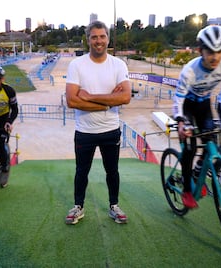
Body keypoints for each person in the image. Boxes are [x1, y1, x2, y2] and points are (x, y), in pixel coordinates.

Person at [64, 20, 132, 225]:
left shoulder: (118, 65)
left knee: (112, 171)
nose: (98, 40)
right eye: (94, 37)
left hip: (110, 129)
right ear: (88, 40)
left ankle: (114, 205)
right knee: (81, 171)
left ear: (108, 39)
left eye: (102, 36)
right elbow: (71, 100)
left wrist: (89, 97)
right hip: (84, 130)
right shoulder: (76, 65)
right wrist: (107, 102)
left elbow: (125, 97)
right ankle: (78, 206)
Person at [172, 25, 221, 209]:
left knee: (210, 139)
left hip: (204, 105)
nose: (215, 57)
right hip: (187, 106)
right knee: (190, 147)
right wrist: (180, 122)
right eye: (210, 51)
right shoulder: (189, 70)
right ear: (200, 51)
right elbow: (178, 100)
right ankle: (187, 189)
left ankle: (198, 171)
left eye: (219, 51)